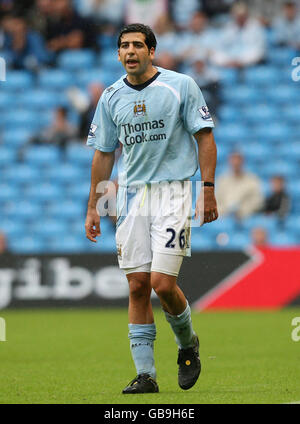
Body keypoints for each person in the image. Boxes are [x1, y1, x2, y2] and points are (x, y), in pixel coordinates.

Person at [85, 23, 218, 394]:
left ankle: (187, 343)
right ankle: (146, 375)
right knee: (138, 286)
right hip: (128, 196)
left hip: (174, 192)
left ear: (151, 51)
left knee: (162, 284)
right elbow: (103, 154)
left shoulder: (180, 86)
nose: (130, 51)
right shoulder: (111, 97)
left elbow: (205, 139)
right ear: (117, 54)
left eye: (137, 45)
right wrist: (94, 206)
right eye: (124, 46)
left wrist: (206, 189)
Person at [216, 152, 263, 219]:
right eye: (233, 160)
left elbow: (257, 201)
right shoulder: (222, 180)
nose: (236, 163)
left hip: (246, 218)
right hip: (225, 218)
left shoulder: (252, 180)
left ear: (243, 162)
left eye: (238, 160)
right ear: (229, 162)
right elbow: (217, 202)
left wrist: (242, 211)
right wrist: (226, 211)